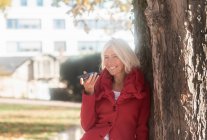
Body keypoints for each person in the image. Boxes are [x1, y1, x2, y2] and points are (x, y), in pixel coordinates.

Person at [80, 38, 150, 140]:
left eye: (115, 56)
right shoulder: (98, 84)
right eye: (106, 57)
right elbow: (87, 126)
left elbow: (142, 128)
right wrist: (89, 92)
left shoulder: (140, 87)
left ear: (125, 57)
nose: (110, 62)